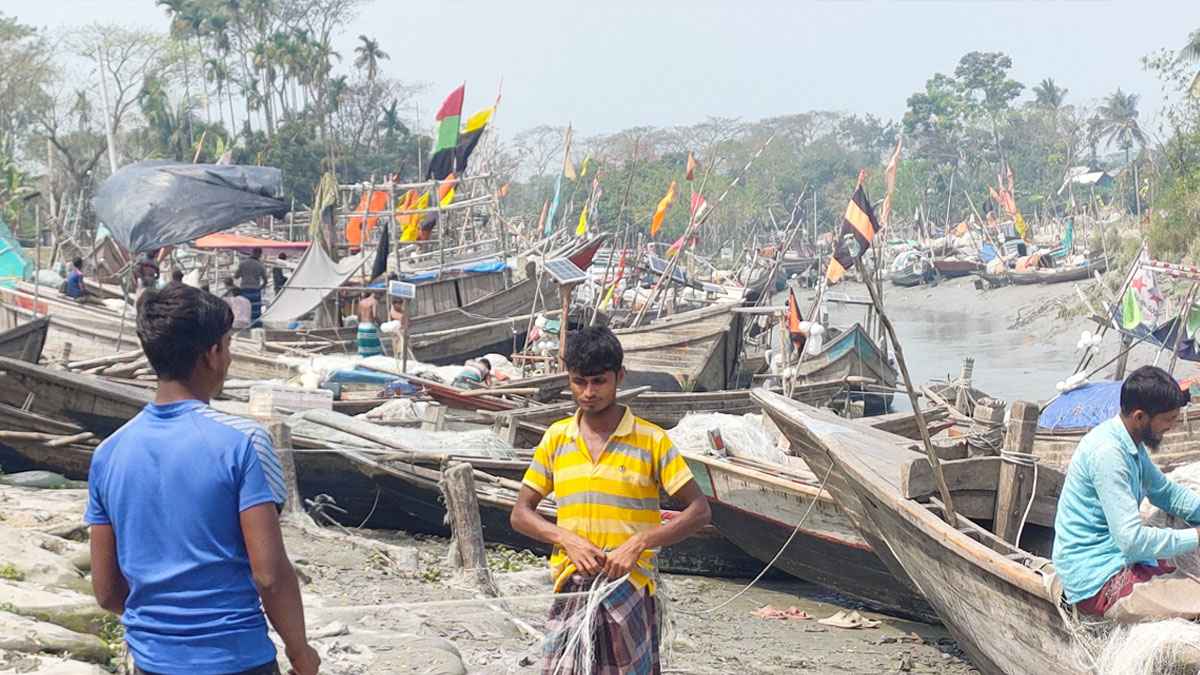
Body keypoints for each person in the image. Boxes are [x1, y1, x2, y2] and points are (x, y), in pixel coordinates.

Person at [85, 283, 319, 675]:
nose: (228, 357)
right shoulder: (244, 442)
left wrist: (166, 633)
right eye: (227, 345)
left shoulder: (108, 453)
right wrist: (301, 655)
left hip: (152, 661)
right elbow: (270, 575)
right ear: (212, 354)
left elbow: (107, 591)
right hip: (236, 659)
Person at [510, 326, 711, 673]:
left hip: (629, 587)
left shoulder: (652, 440)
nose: (588, 393)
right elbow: (520, 514)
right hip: (572, 586)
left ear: (619, 377)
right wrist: (566, 539)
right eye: (579, 382)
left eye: (599, 382)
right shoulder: (557, 439)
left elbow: (699, 511)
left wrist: (639, 543)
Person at [1053, 365, 1200, 623]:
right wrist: (1195, 536)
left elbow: (1166, 493)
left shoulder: (1131, 444)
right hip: (1097, 579)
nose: (1172, 427)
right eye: (1168, 420)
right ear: (1140, 417)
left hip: (1121, 560)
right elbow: (1131, 540)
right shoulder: (1108, 454)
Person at [236, 247, 269, 328]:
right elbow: (265, 281)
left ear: (252, 252)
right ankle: (255, 326)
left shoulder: (243, 264)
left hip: (244, 289)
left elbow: (236, 276)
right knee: (256, 310)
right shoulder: (260, 265)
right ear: (259, 254)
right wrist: (261, 288)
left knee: (245, 309)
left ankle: (245, 326)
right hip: (255, 290)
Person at [356, 291, 382, 358]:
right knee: (374, 351)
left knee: (363, 350)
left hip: (361, 327)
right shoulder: (374, 302)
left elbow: (358, 316)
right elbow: (375, 315)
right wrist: (381, 324)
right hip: (370, 326)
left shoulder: (361, 302)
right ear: (375, 293)